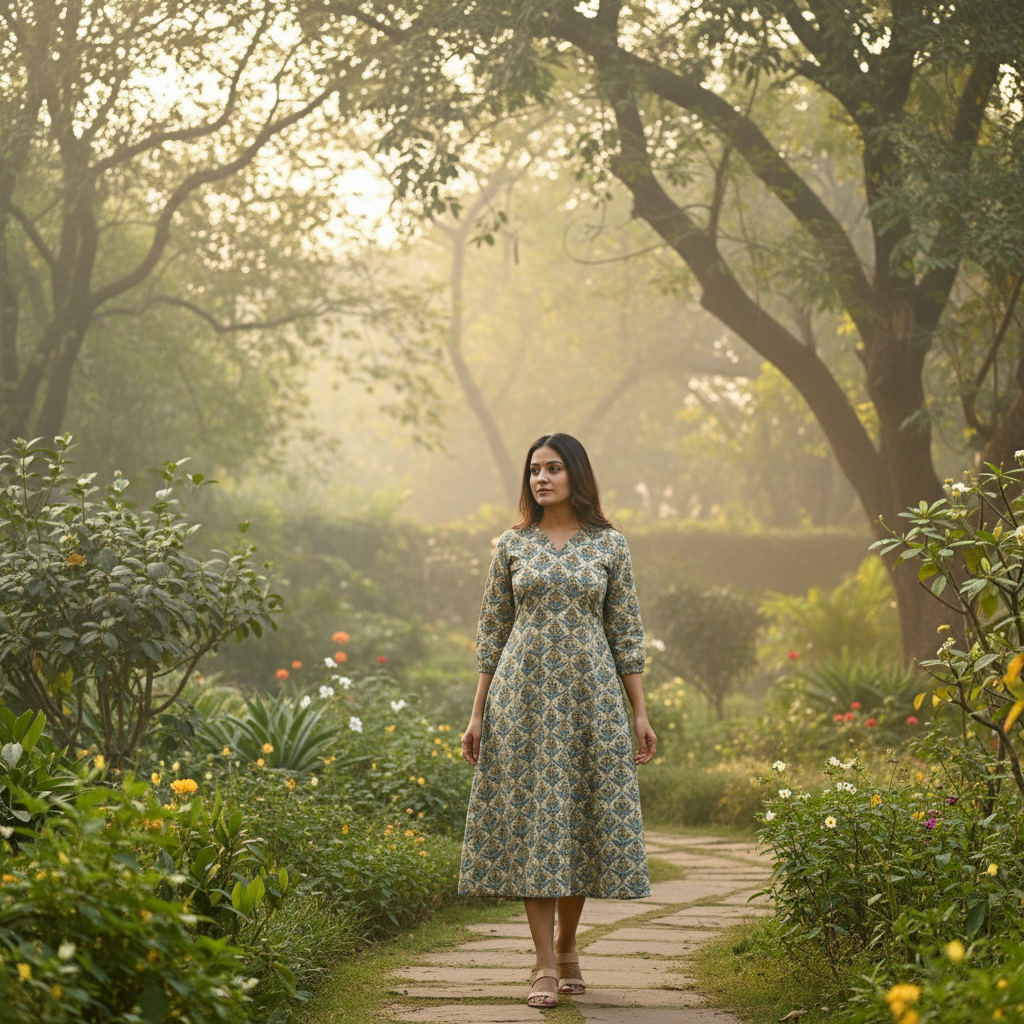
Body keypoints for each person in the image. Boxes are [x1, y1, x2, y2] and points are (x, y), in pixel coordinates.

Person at [459, 432, 657, 1009]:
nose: (540, 478)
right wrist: (477, 715)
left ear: (576, 474)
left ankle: (568, 946)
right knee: (535, 826)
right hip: (520, 700)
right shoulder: (511, 544)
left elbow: (625, 631)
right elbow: (492, 633)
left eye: (552, 469)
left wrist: (639, 711)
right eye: (533, 470)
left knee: (576, 823)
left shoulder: (609, 545)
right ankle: (544, 964)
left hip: (589, 700)